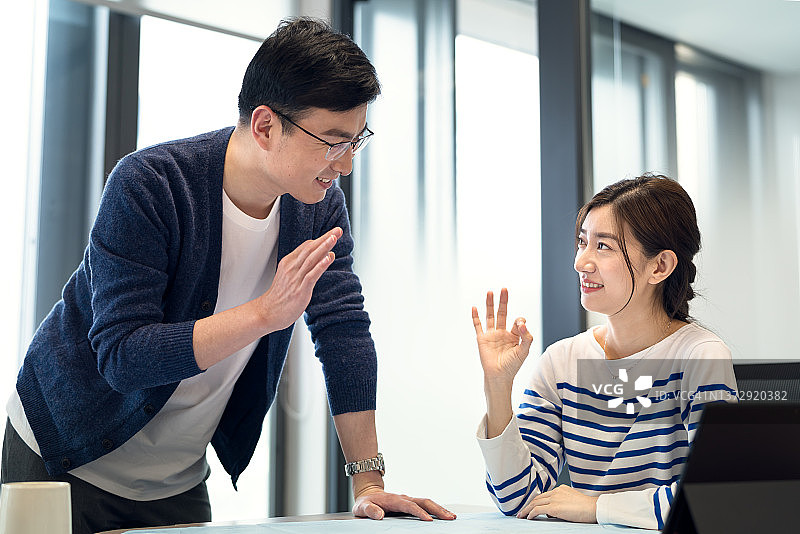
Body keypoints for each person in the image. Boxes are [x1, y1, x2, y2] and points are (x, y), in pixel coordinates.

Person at [1, 17, 455, 534]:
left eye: (356, 140)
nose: (345, 165)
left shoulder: (318, 208)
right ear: (265, 126)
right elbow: (123, 355)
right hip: (63, 453)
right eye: (332, 141)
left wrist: (369, 484)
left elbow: (343, 331)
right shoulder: (150, 186)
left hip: (176, 478)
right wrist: (264, 313)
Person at [471, 175, 737, 529]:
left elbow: (714, 498)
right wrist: (498, 387)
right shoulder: (562, 361)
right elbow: (518, 499)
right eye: (582, 242)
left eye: (604, 247)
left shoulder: (700, 356)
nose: (582, 262)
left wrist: (596, 508)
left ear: (659, 266)